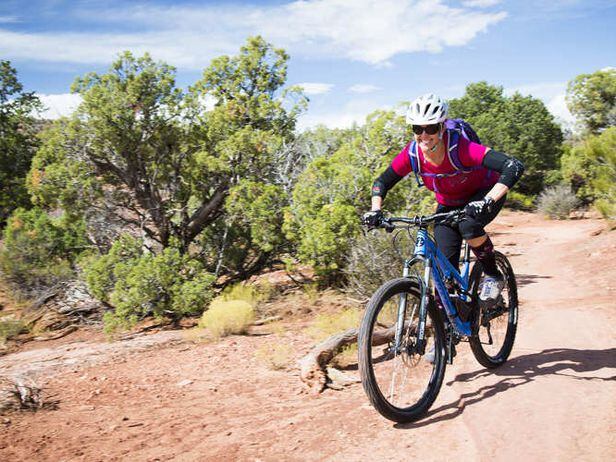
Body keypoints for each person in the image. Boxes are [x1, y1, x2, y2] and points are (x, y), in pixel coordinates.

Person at [363, 93, 524, 301]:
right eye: (417, 129)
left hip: (484, 193)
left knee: (468, 225)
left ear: (442, 127)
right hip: (448, 204)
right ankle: (449, 327)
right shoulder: (413, 155)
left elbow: (513, 166)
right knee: (442, 280)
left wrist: (488, 200)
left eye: (431, 128)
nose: (424, 135)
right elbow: (381, 182)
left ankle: (493, 275)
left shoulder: (460, 148)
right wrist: (376, 210)